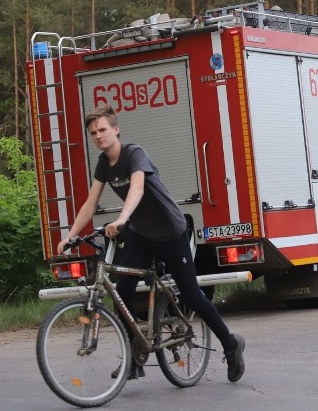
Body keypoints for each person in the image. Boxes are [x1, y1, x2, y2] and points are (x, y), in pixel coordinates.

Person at [57, 105, 245, 382]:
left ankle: (231, 345)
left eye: (103, 130)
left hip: (171, 232)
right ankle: (136, 357)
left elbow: (137, 187)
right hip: (142, 234)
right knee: (122, 291)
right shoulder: (103, 164)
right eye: (93, 132)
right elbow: (90, 203)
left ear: (116, 129)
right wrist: (70, 235)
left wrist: (122, 218)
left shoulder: (135, 154)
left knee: (192, 295)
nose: (98, 136)